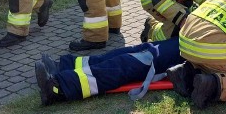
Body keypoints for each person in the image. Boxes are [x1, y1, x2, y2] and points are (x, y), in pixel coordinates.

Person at [34, 37, 182, 105]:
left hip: (184, 56)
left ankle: (57, 89)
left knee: (122, 65)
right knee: (121, 53)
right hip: (180, 43)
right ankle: (64, 66)